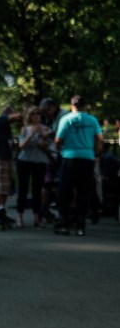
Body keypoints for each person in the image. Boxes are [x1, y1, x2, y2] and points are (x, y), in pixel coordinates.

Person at [54, 95, 103, 236]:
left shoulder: (66, 119)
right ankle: (80, 224)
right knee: (84, 191)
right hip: (87, 158)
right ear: (84, 106)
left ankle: (64, 222)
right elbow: (99, 139)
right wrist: (97, 154)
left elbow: (58, 140)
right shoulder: (92, 120)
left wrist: (60, 150)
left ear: (71, 105)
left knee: (66, 191)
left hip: (70, 157)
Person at [15, 106, 52, 227]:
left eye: (38, 114)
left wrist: (42, 136)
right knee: (23, 189)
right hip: (24, 161)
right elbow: (21, 146)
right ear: (29, 116)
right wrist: (30, 135)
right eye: (33, 114)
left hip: (39, 162)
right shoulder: (24, 129)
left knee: (37, 190)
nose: (36, 116)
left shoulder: (46, 129)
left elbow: (46, 147)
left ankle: (37, 218)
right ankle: (19, 217)